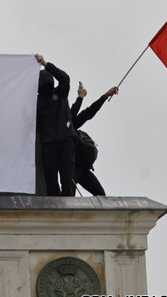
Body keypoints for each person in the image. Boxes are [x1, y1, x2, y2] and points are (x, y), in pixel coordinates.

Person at [35, 54, 76, 196]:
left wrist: (46, 64)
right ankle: (56, 210)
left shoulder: (60, 93)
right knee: (52, 181)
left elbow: (64, 78)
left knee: (65, 180)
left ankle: (67, 209)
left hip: (63, 143)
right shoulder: (36, 102)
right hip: (50, 146)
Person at [71, 83, 118, 196]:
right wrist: (80, 97)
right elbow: (74, 114)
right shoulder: (58, 127)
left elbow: (88, 112)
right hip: (69, 167)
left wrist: (105, 96)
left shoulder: (71, 125)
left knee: (100, 194)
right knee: (68, 198)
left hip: (81, 166)